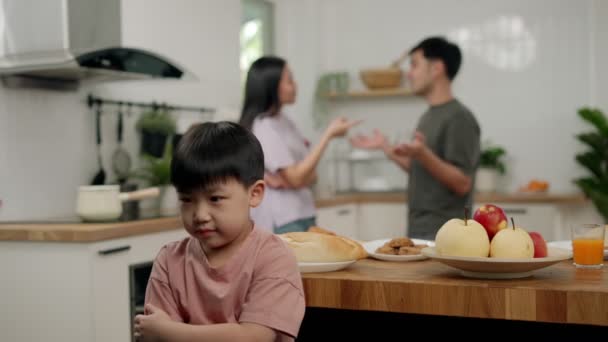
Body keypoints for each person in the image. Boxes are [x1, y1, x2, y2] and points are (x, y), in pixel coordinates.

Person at [133, 122, 305, 341]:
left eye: (215, 199)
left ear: (255, 194)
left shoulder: (273, 257)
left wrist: (168, 331)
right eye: (187, 199)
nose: (200, 214)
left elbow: (254, 337)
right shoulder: (169, 260)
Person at [351, 37, 480, 240]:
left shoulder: (459, 117)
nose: (408, 74)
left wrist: (423, 153)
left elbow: (462, 182)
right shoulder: (429, 116)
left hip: (445, 235)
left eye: (414, 64)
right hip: (421, 229)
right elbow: (421, 169)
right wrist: (385, 147)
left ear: (437, 68)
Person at [240, 56, 360, 234]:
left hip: (303, 211)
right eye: (289, 80)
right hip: (283, 218)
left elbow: (312, 176)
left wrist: (295, 179)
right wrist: (328, 135)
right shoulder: (263, 127)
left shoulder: (286, 122)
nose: (295, 85)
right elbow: (297, 178)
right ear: (272, 86)